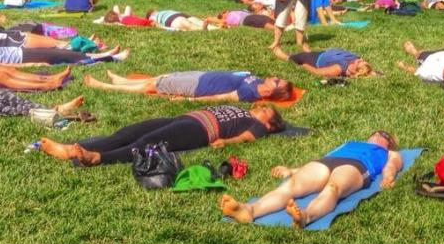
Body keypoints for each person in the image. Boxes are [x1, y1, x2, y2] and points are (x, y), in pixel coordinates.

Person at [221, 130, 402, 228]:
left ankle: (305, 217)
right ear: (368, 136)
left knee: (333, 188)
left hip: (357, 166)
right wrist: (292, 170)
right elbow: (326, 155)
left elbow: (391, 166)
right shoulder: (350, 142)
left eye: (385, 136)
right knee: (291, 185)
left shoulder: (390, 153)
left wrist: (387, 178)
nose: (379, 135)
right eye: (376, 133)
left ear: (389, 144)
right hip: (327, 162)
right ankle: (250, 210)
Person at [38, 104, 284, 166]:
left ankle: (97, 158)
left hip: (199, 130)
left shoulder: (258, 125)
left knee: (145, 143)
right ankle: (71, 149)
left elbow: (248, 137)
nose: (261, 108)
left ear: (269, 124)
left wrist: (227, 141)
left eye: (265, 111)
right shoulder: (243, 109)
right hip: (184, 119)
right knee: (128, 132)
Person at [82, 68, 295, 102]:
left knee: (154, 86)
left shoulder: (250, 93)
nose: (273, 76)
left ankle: (104, 86)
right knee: (161, 78)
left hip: (198, 87)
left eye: (276, 80)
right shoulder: (256, 82)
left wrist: (190, 100)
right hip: (202, 76)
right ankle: (122, 80)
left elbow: (222, 98)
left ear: (270, 91)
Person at [0, 43, 127, 66]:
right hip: (26, 58)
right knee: (68, 56)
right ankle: (111, 58)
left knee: (63, 53)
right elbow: (7, 67)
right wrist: (34, 65)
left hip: (23, 51)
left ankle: (104, 54)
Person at [275, 47, 376, 78]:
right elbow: (372, 73)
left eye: (359, 62)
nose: (361, 59)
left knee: (299, 57)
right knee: (311, 52)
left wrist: (304, 65)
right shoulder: (354, 63)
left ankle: (286, 57)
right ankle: (309, 51)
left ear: (354, 69)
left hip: (314, 60)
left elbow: (317, 72)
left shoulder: (339, 68)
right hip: (325, 55)